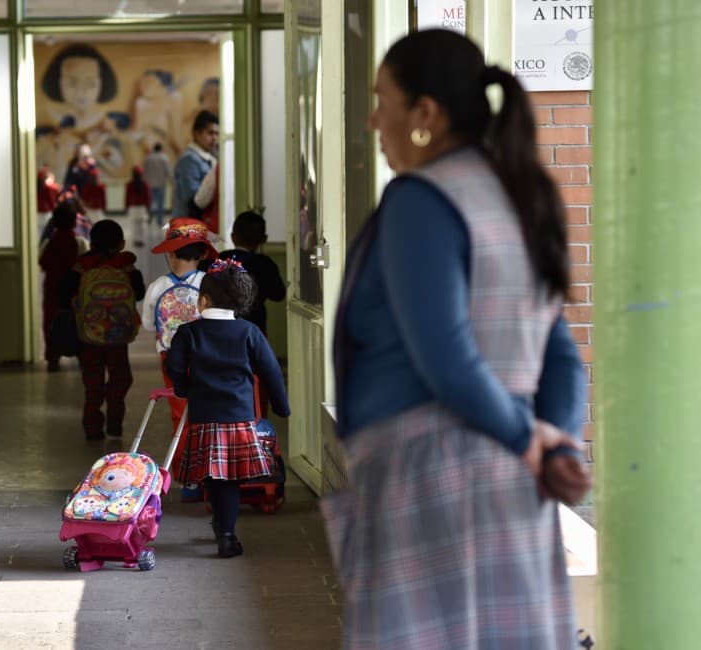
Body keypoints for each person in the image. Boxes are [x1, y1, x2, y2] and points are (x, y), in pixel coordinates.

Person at [324, 30, 592, 649]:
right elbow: (560, 354)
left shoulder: (420, 201)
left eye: (381, 101)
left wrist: (528, 439)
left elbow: (446, 357)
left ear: (425, 113)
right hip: (515, 480)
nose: (372, 120)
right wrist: (555, 446)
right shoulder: (521, 193)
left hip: (427, 474)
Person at [165, 258, 290, 558]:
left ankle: (221, 525)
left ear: (204, 300)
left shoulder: (189, 332)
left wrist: (183, 389)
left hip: (205, 416)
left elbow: (174, 367)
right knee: (231, 479)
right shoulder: (250, 332)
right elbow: (271, 372)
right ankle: (227, 535)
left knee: (213, 475)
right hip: (239, 418)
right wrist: (281, 407)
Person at [140, 217, 218, 497]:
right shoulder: (209, 284)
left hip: (172, 359)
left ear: (170, 253)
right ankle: (212, 473)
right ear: (204, 253)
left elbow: (148, 324)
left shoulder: (157, 286)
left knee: (180, 415)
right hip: (208, 357)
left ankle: (187, 479)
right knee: (209, 413)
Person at [60, 220, 145, 440]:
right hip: (118, 337)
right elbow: (139, 293)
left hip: (88, 337)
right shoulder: (126, 267)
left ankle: (92, 427)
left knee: (92, 382)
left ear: (91, 244)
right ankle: (115, 423)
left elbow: (64, 295)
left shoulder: (81, 267)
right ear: (121, 244)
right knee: (121, 378)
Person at [219, 210, 285, 334]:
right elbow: (278, 295)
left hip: (222, 325)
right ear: (264, 239)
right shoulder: (264, 264)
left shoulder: (221, 258)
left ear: (233, 237)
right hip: (254, 326)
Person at [39, 201, 83, 372]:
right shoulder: (78, 242)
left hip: (53, 287)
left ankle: (53, 357)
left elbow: (42, 262)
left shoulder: (50, 242)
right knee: (77, 320)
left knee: (51, 321)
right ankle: (80, 354)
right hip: (74, 288)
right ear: (74, 222)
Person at [172, 110, 218, 219]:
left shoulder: (209, 157)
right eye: (210, 133)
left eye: (217, 134)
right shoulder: (189, 160)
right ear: (196, 134)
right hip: (188, 223)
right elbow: (193, 200)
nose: (214, 138)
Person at [142, 143, 173, 227]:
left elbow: (144, 171)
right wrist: (172, 181)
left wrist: (144, 182)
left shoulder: (148, 158)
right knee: (160, 205)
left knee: (149, 203)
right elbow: (169, 171)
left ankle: (149, 219)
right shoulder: (164, 158)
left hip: (149, 185)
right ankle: (159, 221)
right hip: (160, 184)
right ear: (161, 149)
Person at [124, 165, 151, 247]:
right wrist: (148, 206)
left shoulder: (129, 185)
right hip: (142, 208)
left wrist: (126, 206)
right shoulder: (145, 184)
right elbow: (148, 197)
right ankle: (142, 239)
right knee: (142, 225)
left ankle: (136, 240)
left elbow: (127, 197)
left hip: (133, 208)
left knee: (134, 225)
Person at [36, 166, 61, 239]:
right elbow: (51, 201)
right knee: (47, 233)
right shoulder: (48, 188)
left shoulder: (36, 187)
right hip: (46, 213)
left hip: (37, 213)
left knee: (39, 233)